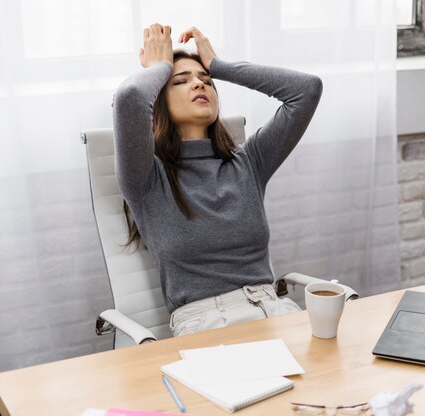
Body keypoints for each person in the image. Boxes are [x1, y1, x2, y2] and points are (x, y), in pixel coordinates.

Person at [112, 24, 323, 337]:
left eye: (206, 80)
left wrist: (219, 66)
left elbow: (306, 91)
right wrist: (160, 66)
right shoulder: (146, 178)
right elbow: (129, 98)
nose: (199, 84)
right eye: (181, 81)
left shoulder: (249, 162)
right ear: (158, 100)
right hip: (206, 326)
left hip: (274, 312)